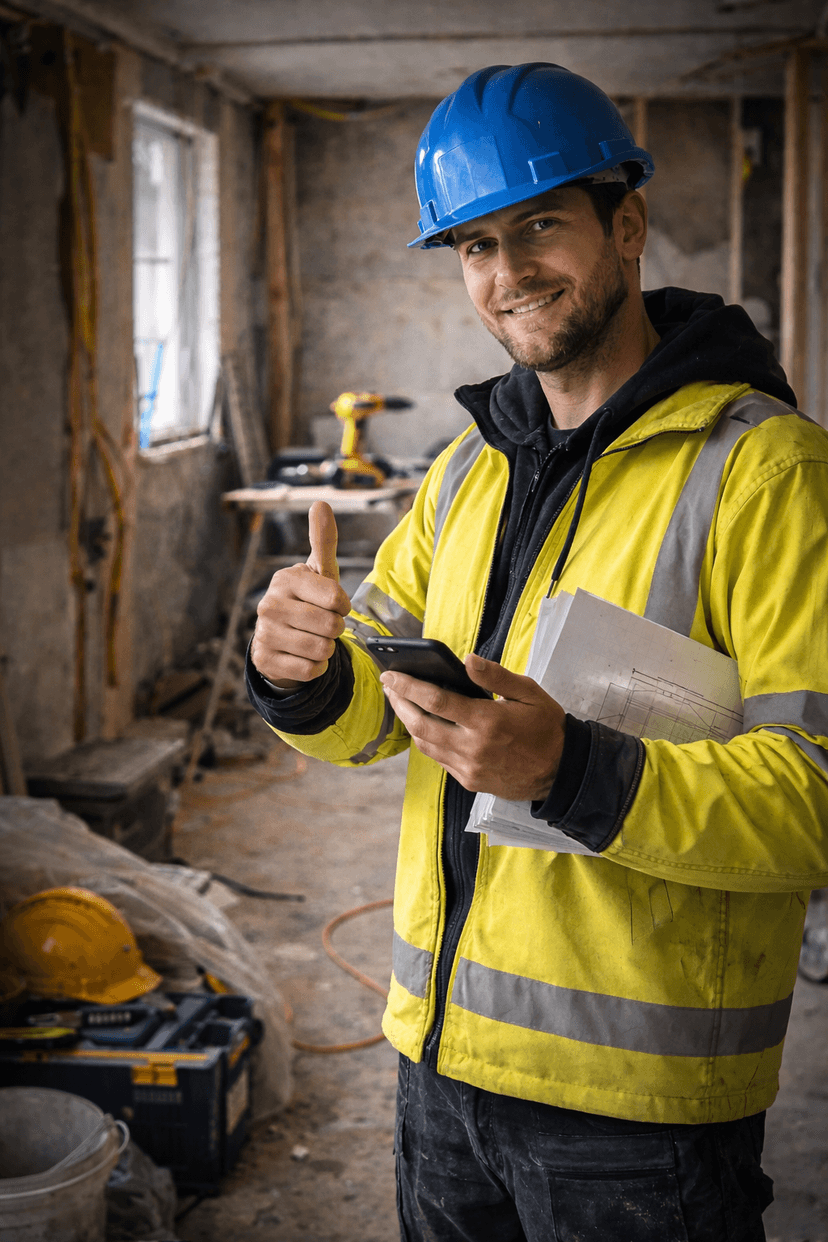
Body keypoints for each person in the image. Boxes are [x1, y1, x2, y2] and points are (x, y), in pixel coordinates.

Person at [246, 63, 828, 1241]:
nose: (506, 275)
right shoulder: (471, 468)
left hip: (636, 1113)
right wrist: (300, 669)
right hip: (441, 1069)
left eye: (540, 227)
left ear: (628, 223)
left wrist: (569, 769)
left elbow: (815, 793)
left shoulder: (763, 473)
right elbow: (377, 716)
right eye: (472, 246)